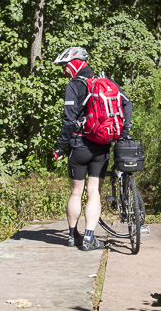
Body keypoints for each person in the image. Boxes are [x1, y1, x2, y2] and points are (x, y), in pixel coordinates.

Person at [52, 46, 132, 251]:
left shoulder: (74, 86)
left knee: (76, 192)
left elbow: (68, 120)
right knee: (94, 191)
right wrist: (122, 136)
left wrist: (60, 147)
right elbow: (127, 105)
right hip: (101, 146)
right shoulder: (105, 82)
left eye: (65, 67)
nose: (64, 71)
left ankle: (72, 236)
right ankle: (89, 238)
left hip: (79, 145)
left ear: (74, 64)